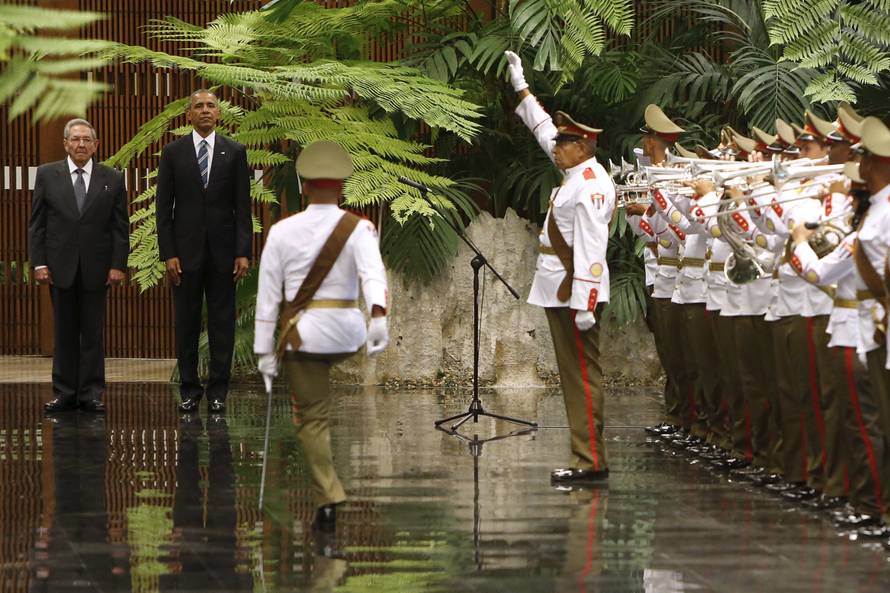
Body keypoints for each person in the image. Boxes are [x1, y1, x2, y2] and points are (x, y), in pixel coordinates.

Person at [254, 140, 389, 532]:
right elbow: (373, 275)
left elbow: (268, 295)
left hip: (305, 337)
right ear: (342, 187)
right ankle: (329, 489)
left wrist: (264, 351)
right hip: (348, 333)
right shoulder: (360, 228)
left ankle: (328, 498)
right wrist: (378, 317)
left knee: (312, 418)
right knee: (319, 408)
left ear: (305, 186)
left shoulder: (281, 231)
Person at [505, 50, 615, 484]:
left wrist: (585, 301)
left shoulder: (590, 187)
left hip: (574, 290)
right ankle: (587, 455)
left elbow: (591, 248)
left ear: (582, 147)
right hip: (561, 287)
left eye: (563, 144)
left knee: (581, 376)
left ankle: (590, 460)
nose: (555, 148)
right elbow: (544, 130)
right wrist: (522, 88)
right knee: (576, 375)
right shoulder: (576, 174)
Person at [156, 89, 252, 414]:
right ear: (189, 115)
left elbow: (242, 207)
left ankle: (218, 392)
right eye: (199, 106)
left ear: (219, 114)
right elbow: (163, 209)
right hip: (184, 256)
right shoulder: (173, 153)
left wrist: (243, 251)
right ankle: (189, 390)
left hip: (224, 254)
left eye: (211, 105)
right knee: (186, 323)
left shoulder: (235, 151)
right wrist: (168, 253)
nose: (206, 110)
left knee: (222, 324)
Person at [29, 118, 128, 414]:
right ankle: (64, 393)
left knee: (92, 333)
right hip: (59, 267)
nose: (81, 144)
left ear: (96, 145)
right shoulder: (48, 175)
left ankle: (91, 394)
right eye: (75, 139)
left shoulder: (112, 177)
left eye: (86, 140)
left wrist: (118, 265)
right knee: (64, 333)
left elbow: (120, 227)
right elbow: (37, 224)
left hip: (98, 268)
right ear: (65, 144)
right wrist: (39, 262)